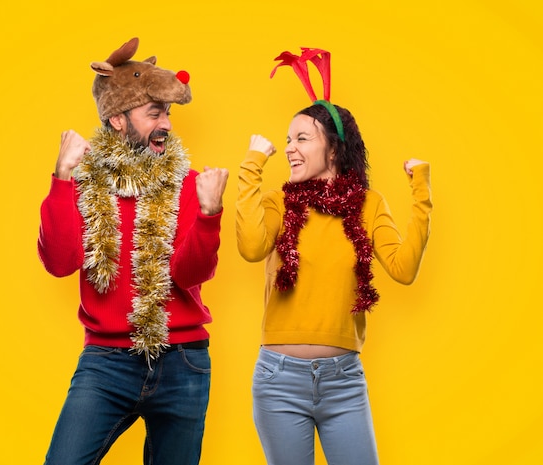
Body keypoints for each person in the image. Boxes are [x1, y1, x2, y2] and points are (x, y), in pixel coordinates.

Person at [235, 47, 432, 465]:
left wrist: (421, 192)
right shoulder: (278, 202)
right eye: (288, 139)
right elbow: (251, 247)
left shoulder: (369, 204)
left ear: (335, 151)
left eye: (302, 138)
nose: (290, 148)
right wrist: (252, 165)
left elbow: (403, 268)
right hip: (278, 380)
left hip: (344, 382)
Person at [38, 37, 229, 465]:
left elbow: (188, 274)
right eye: (155, 113)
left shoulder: (188, 182)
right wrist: (62, 177)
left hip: (183, 363)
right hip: (106, 362)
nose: (167, 124)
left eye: (169, 113)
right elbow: (60, 263)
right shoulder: (83, 183)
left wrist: (209, 214)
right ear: (119, 120)